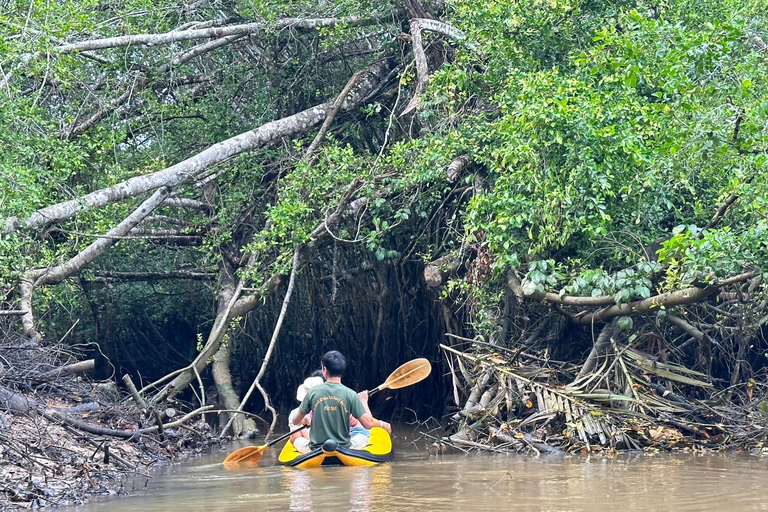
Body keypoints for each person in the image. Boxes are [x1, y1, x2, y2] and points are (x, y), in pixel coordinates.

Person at [292, 350, 391, 452]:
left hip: (315, 449)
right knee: (362, 436)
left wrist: (303, 421)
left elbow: (295, 421)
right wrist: (364, 401)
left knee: (295, 439)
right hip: (344, 448)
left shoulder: (312, 392)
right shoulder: (351, 394)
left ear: (325, 370)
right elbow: (368, 424)